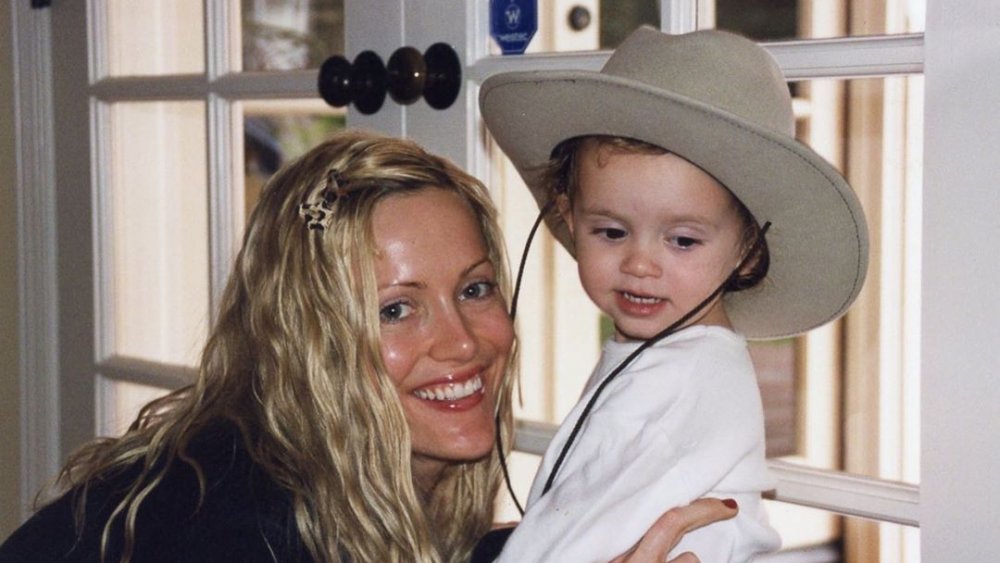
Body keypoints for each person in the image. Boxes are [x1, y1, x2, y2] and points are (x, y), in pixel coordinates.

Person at [0, 129, 738, 563]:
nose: (462, 342)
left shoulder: (316, 472)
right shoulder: (232, 527)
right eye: (395, 309)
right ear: (307, 342)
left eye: (476, 289)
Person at [479, 27, 869, 562]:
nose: (639, 264)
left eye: (683, 240)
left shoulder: (677, 382)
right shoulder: (679, 358)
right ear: (568, 218)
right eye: (611, 232)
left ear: (749, 251)